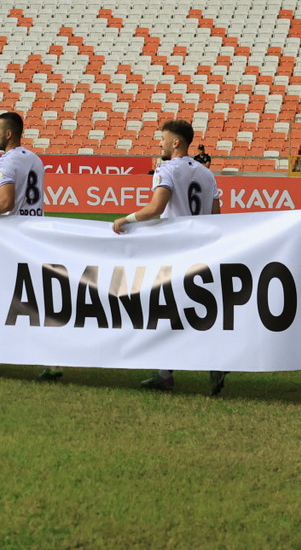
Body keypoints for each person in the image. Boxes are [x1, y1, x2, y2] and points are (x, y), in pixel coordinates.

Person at [112, 119, 225, 396]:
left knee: (167, 309)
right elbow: (217, 217)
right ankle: (212, 361)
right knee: (198, 309)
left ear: (176, 142)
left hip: (174, 250)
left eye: (163, 139)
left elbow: (156, 207)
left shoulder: (166, 169)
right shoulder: (207, 174)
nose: (160, 144)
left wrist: (126, 220)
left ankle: (168, 373)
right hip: (202, 250)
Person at [0, 112, 57, 379]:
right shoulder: (35, 159)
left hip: (13, 237)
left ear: (8, 133)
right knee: (34, 299)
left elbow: (5, 204)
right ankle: (54, 358)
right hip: (36, 234)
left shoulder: (4, 161)